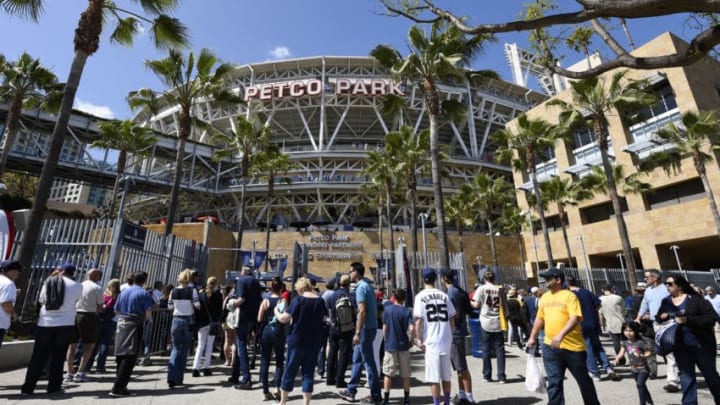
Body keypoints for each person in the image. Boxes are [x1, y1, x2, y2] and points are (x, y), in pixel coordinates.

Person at [527, 268, 600, 405]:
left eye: (549, 278)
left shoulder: (569, 296)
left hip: (573, 347)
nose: (545, 281)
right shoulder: (544, 297)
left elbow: (575, 318)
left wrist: (561, 335)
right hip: (550, 346)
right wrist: (532, 337)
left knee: (583, 380)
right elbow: (539, 319)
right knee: (554, 382)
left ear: (558, 280)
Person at [656, 275, 720, 404]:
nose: (667, 286)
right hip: (680, 346)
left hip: (701, 345)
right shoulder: (666, 301)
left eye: (670, 284)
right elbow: (659, 316)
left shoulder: (695, 299)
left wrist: (688, 319)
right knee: (686, 376)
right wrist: (661, 317)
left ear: (679, 285)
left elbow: (711, 317)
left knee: (710, 375)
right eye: (666, 284)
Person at [21, 263, 82, 396]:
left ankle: (28, 388)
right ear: (72, 273)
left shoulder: (48, 282)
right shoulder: (77, 286)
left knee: (38, 356)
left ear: (62, 271)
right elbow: (77, 300)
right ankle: (54, 387)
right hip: (65, 324)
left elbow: (42, 300)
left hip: (45, 323)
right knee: (58, 357)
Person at [275, 277, 329, 405]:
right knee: (308, 373)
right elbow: (325, 318)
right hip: (314, 340)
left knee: (290, 370)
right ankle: (306, 403)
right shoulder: (320, 301)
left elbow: (284, 319)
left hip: (297, 340)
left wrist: (276, 311)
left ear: (300, 288)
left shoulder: (299, 300)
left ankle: (283, 402)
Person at [338, 262, 382, 404]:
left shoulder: (361, 288)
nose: (349, 273)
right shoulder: (367, 286)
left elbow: (362, 311)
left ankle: (376, 396)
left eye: (351, 271)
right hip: (369, 328)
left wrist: (357, 332)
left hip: (364, 330)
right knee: (357, 360)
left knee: (368, 363)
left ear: (356, 272)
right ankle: (351, 391)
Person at [413, 267, 457, 405]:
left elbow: (419, 320)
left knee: (434, 378)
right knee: (446, 376)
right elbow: (452, 317)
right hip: (445, 339)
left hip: (431, 341)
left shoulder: (420, 296)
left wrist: (419, 338)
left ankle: (437, 403)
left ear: (423, 279)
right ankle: (447, 402)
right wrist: (450, 332)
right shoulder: (444, 295)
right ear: (436, 279)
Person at [110, 271, 154, 397]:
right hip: (135, 323)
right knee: (130, 355)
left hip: (122, 322)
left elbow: (116, 309)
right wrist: (144, 321)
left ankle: (119, 382)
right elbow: (148, 312)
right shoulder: (144, 293)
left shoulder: (124, 292)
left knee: (120, 354)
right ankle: (119, 387)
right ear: (144, 280)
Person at [566, 275, 617, 382]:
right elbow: (598, 304)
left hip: (581, 324)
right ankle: (608, 368)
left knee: (588, 348)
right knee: (598, 346)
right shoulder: (586, 292)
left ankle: (595, 373)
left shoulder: (568, 295)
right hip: (593, 323)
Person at [635, 269, 679, 392]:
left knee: (670, 353)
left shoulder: (666, 288)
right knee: (664, 351)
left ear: (655, 278)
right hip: (655, 324)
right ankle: (678, 372)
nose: (645, 279)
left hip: (668, 323)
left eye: (647, 277)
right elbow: (644, 304)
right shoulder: (648, 291)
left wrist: (671, 314)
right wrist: (638, 317)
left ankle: (672, 381)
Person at [441, 268, 475, 404]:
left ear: (443, 278)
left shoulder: (451, 293)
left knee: (461, 367)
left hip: (455, 333)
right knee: (459, 368)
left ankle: (470, 397)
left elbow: (455, 314)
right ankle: (462, 396)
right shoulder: (457, 290)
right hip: (457, 332)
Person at [66, 268, 103, 383]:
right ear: (97, 277)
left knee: (72, 346)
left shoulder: (78, 286)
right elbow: (100, 306)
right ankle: (81, 372)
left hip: (74, 314)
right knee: (89, 345)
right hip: (88, 316)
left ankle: (69, 372)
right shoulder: (97, 288)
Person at [229, 265, 262, 388]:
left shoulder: (241, 281)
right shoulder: (256, 282)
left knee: (241, 345)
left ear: (244, 271)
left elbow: (241, 298)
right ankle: (236, 374)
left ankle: (246, 378)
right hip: (253, 316)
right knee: (240, 344)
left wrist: (231, 304)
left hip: (242, 316)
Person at [167, 269, 201, 389]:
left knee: (175, 348)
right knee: (185, 348)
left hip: (176, 319)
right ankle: (179, 378)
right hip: (188, 319)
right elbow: (197, 305)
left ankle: (171, 377)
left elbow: (170, 306)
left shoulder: (173, 291)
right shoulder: (192, 291)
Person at [471, 270, 506, 383]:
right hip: (498, 321)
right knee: (500, 350)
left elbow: (476, 305)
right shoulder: (499, 289)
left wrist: (470, 302)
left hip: (485, 320)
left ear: (484, 279)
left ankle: (487, 375)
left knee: (486, 349)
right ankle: (501, 376)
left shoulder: (481, 288)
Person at [381, 288, 414, 405]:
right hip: (403, 345)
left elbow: (384, 328)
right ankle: (406, 399)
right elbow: (411, 328)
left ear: (394, 298)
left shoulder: (387, 310)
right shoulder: (406, 311)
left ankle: (386, 399)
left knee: (388, 374)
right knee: (406, 375)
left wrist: (386, 339)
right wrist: (412, 340)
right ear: (404, 299)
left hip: (391, 345)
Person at [257, 277, 287, 401]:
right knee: (279, 361)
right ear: (281, 288)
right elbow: (285, 317)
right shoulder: (283, 301)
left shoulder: (265, 300)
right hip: (279, 331)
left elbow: (259, 318)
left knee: (265, 360)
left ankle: (265, 391)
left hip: (266, 330)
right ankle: (277, 388)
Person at [612, 321, 654, 405]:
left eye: (631, 331)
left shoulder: (640, 342)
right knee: (641, 386)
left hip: (643, 368)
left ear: (635, 331)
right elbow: (621, 352)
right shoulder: (625, 342)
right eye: (626, 330)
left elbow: (649, 352)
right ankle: (649, 400)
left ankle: (642, 403)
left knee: (639, 384)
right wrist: (617, 358)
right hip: (634, 369)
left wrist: (643, 356)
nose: (628, 333)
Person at [326, 274, 355, 388]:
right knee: (343, 353)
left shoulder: (333, 296)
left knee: (332, 352)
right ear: (349, 284)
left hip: (333, 327)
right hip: (346, 328)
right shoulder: (350, 295)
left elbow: (329, 309)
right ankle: (340, 380)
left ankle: (329, 378)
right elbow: (355, 310)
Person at [192, 276, 222, 377]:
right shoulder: (218, 295)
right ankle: (206, 368)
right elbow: (219, 310)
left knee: (200, 345)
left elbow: (197, 309)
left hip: (202, 323)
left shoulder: (201, 295)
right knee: (209, 346)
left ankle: (195, 368)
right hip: (213, 322)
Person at [93, 278, 121, 373]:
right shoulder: (118, 296)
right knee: (105, 344)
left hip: (100, 321)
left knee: (95, 343)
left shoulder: (104, 294)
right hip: (112, 321)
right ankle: (100, 366)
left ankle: (88, 365)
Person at [599, 285, 626, 362]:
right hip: (622, 322)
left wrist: (602, 325)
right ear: (612, 289)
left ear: (603, 290)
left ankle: (620, 358)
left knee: (616, 342)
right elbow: (623, 309)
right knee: (627, 341)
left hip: (610, 323)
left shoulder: (600, 299)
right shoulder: (618, 298)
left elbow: (600, 314)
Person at [0, 260, 21, 348]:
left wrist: (13, 293)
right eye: (17, 272)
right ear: (11, 271)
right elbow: (6, 304)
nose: (18, 274)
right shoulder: (8, 284)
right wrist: (14, 314)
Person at [221, 284, 236, 367]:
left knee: (227, 340)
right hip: (234, 321)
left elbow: (223, 310)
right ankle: (233, 361)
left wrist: (222, 321)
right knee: (234, 341)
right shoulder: (237, 298)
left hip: (226, 320)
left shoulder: (226, 298)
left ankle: (227, 361)